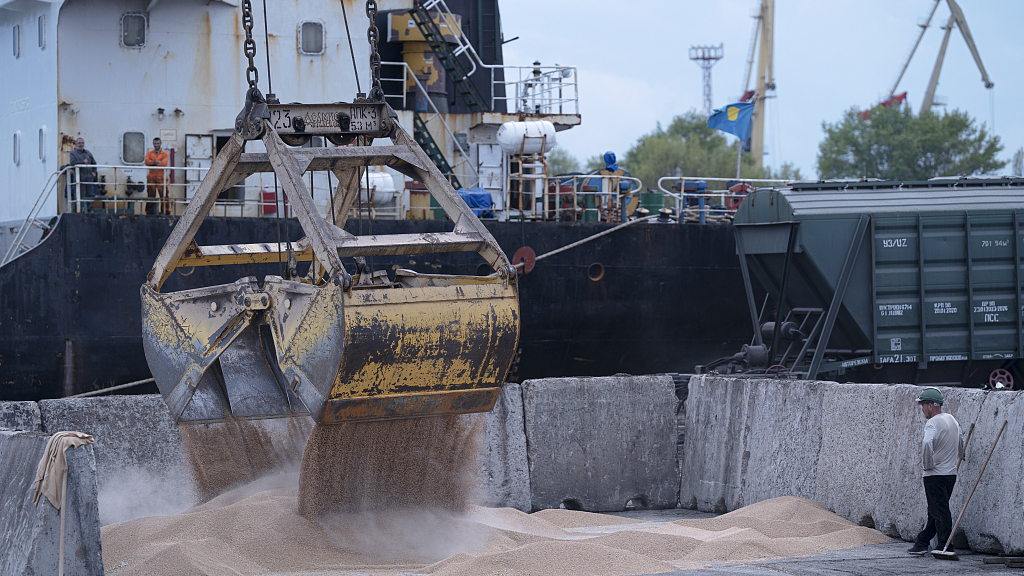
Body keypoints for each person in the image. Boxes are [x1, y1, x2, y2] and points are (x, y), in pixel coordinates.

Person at [908, 387, 964, 555]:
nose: (922, 409)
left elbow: (926, 443)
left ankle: (945, 546)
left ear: (931, 406)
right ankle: (922, 543)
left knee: (940, 510)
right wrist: (961, 454)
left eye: (923, 405)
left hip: (935, 475)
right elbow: (960, 437)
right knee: (935, 510)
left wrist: (928, 464)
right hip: (950, 474)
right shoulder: (951, 419)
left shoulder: (932, 423)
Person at [68, 138, 98, 203]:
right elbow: (72, 162)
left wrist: (94, 172)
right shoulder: (73, 153)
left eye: (82, 143)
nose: (81, 144)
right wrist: (82, 162)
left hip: (89, 178)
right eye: (79, 143)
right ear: (76, 144)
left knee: (89, 194)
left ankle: (89, 209)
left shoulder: (88, 153)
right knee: (81, 195)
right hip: (80, 178)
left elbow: (94, 163)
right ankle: (81, 210)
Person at [144, 137, 170, 215]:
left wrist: (153, 162)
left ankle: (165, 211)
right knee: (151, 195)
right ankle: (149, 212)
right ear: (153, 144)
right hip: (151, 177)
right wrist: (157, 162)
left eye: (158, 143)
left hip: (161, 178)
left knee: (164, 196)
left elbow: (164, 163)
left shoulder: (165, 154)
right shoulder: (149, 153)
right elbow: (146, 162)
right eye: (155, 144)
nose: (156, 145)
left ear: (160, 143)